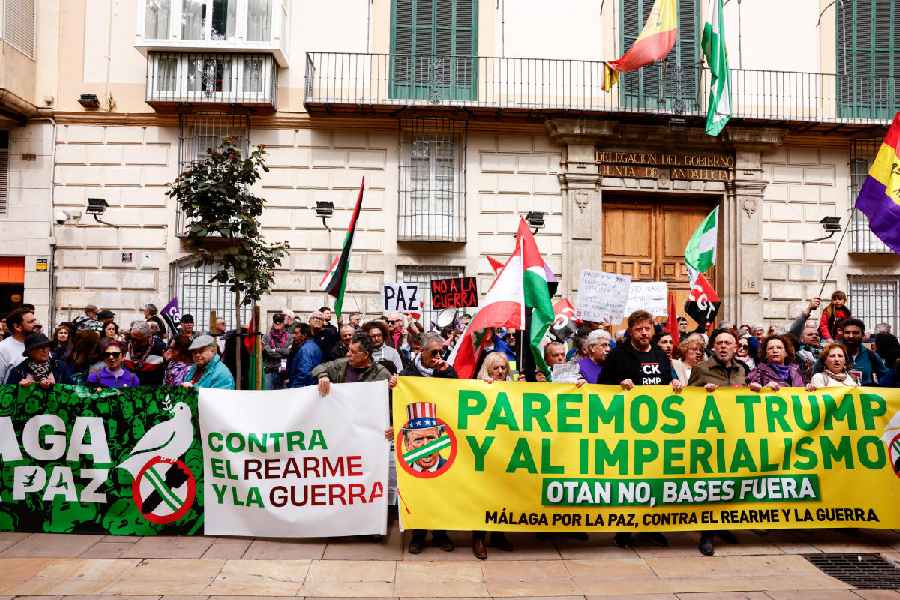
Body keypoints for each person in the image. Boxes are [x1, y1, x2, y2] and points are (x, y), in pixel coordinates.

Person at [599, 310, 682, 549]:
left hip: (657, 429)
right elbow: (601, 387)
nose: (644, 333)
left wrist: (674, 384)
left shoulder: (660, 355)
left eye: (647, 328)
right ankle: (624, 530)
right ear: (631, 332)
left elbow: (669, 381)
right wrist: (618, 385)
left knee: (654, 478)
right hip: (627, 429)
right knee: (629, 481)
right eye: (639, 329)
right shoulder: (618, 355)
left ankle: (651, 527)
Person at [392, 332, 457, 555]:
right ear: (421, 351)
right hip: (416, 441)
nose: (438, 356)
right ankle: (418, 534)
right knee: (418, 487)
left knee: (441, 487)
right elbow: (398, 401)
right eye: (434, 353)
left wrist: (447, 372)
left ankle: (440, 533)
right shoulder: (407, 373)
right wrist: (395, 385)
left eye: (441, 352)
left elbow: (460, 394)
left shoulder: (447, 371)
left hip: (438, 438)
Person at [685, 329, 745, 556]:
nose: (723, 346)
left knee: (729, 483)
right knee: (711, 485)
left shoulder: (741, 369)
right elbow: (688, 400)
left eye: (727, 343)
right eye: (719, 342)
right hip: (709, 436)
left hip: (734, 435)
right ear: (713, 346)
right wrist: (702, 392)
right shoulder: (701, 369)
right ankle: (707, 535)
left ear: (735, 347)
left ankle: (722, 526)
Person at [313, 331, 391, 391]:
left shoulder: (382, 374)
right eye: (349, 350)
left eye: (353, 352)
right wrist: (323, 376)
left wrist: (393, 385)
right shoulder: (341, 364)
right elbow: (319, 367)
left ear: (365, 355)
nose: (347, 354)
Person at [821, 318, 889, 386]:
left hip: (864, 395)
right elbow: (816, 375)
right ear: (843, 334)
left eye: (855, 333)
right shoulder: (829, 354)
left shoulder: (871, 355)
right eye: (847, 332)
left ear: (863, 335)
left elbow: (886, 377)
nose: (851, 336)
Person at [7, 333, 73, 386]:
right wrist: (20, 388)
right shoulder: (18, 371)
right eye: (39, 347)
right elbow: (8, 395)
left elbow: (72, 391)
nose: (45, 350)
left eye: (47, 346)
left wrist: (55, 387)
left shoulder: (60, 366)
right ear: (30, 352)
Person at [0, 308, 38, 384]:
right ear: (17, 327)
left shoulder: (41, 345)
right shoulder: (3, 348)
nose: (36, 324)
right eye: (31, 322)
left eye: (35, 320)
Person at [124, 321, 166, 386]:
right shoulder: (126, 347)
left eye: (139, 341)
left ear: (148, 337)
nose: (134, 343)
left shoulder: (159, 349)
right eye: (133, 339)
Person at [289, 323, 322, 388]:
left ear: (304, 335)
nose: (294, 336)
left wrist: (294, 387)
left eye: (296, 333)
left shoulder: (305, 349)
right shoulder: (314, 346)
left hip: (303, 388)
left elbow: (304, 372)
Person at [262, 313, 291, 390]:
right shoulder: (266, 336)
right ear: (273, 322)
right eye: (276, 322)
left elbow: (288, 352)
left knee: (282, 396)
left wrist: (275, 349)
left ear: (283, 323)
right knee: (268, 395)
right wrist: (282, 352)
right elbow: (268, 352)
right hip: (269, 370)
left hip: (283, 371)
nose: (277, 324)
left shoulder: (289, 336)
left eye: (280, 322)